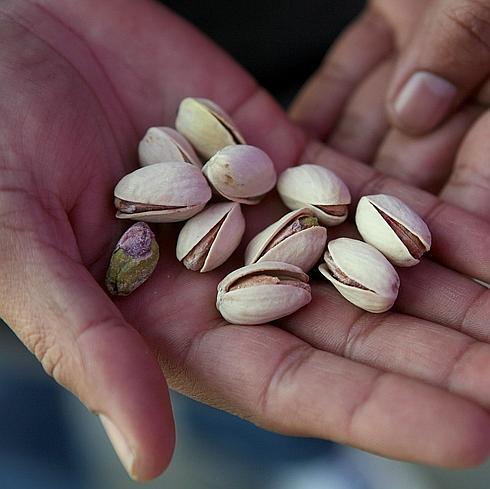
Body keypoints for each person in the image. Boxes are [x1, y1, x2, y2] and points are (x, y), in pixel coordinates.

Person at [0, 0, 489, 481]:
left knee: (236, 384)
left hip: (336, 56)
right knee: (108, 392)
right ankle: (309, 463)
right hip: (206, 70)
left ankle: (310, 459)